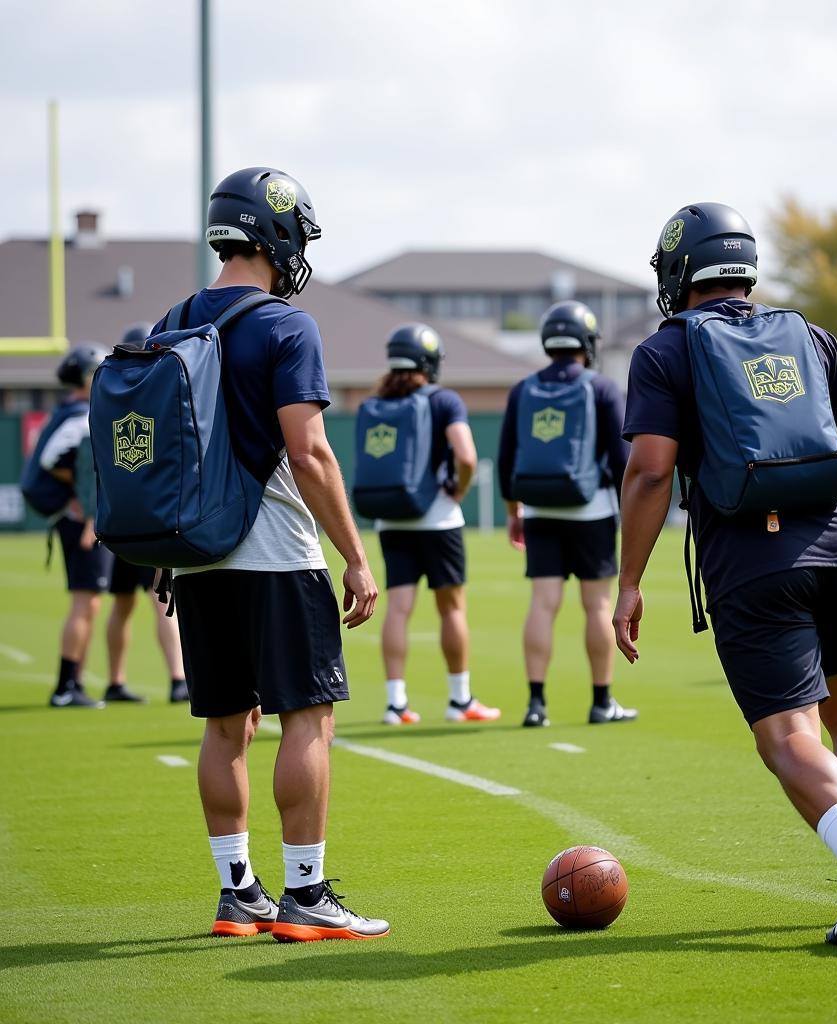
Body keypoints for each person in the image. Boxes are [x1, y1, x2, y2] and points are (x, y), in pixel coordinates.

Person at [613, 202, 837, 946]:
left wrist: (628, 582)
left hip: (753, 555)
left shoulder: (665, 350)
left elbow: (651, 473)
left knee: (786, 733)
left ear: (679, 272)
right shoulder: (808, 334)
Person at [155, 167, 388, 942]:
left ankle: (237, 894)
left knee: (225, 727)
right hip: (277, 553)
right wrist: (355, 555)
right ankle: (306, 894)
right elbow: (311, 451)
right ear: (276, 234)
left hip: (194, 557)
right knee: (307, 720)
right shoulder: (287, 326)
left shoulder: (170, 321)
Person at [498, 300, 634, 728]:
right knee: (596, 605)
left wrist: (514, 509)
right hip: (591, 509)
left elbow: (506, 460)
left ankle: (536, 705)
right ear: (586, 342)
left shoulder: (523, 389)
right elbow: (621, 458)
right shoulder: (601, 387)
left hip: (538, 508)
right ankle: (601, 702)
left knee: (543, 604)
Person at [358, 324, 500, 726]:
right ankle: (459, 700)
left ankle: (395, 703)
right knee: (451, 608)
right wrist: (458, 491)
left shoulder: (376, 401)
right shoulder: (444, 401)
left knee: (398, 610)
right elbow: (467, 457)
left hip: (391, 518)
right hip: (438, 519)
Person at [75, 323, 188, 705]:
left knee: (123, 604)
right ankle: (177, 680)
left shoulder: (109, 399)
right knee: (160, 601)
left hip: (118, 520)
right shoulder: (160, 397)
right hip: (152, 517)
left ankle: (116, 681)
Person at [35, 345, 113, 708]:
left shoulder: (71, 413)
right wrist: (85, 509)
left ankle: (72, 684)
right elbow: (53, 460)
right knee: (85, 603)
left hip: (78, 519)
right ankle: (66, 687)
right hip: (81, 522)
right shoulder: (80, 417)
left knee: (89, 604)